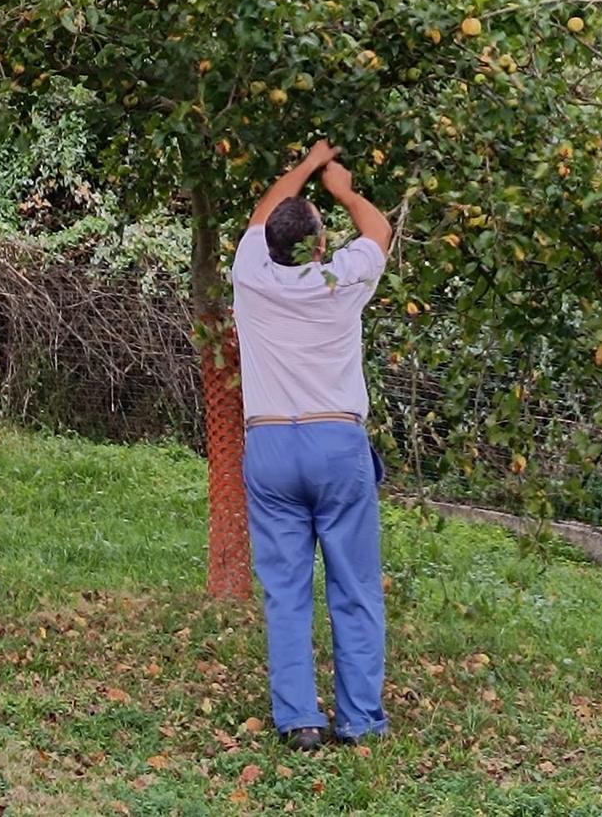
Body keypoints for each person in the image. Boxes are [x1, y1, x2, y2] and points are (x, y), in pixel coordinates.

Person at [230, 139, 394, 751]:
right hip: (335, 438)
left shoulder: (251, 273)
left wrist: (302, 165)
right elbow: (378, 229)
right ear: (320, 244)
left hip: (270, 444)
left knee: (287, 592)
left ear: (268, 243)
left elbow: (264, 210)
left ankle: (299, 719)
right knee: (353, 586)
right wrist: (343, 189)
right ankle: (359, 721)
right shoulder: (341, 278)